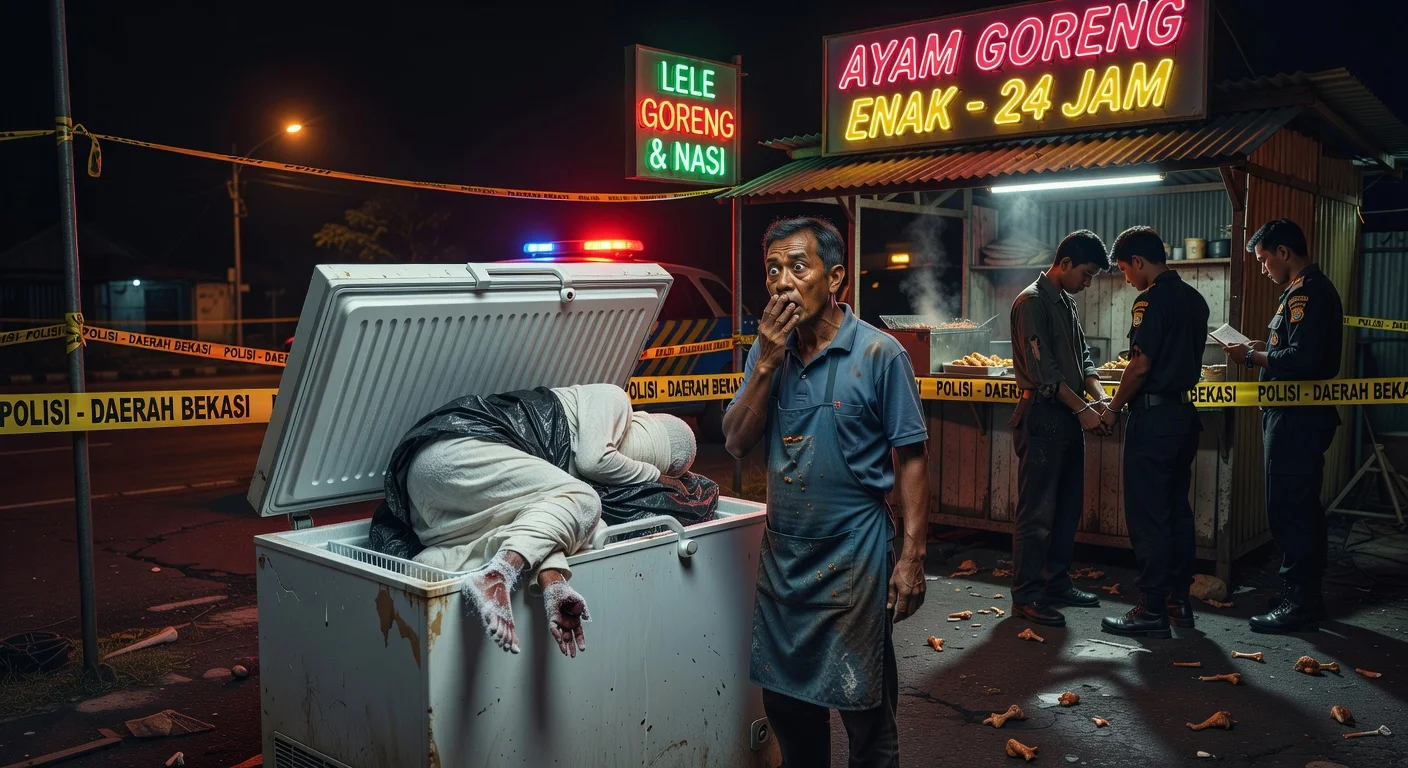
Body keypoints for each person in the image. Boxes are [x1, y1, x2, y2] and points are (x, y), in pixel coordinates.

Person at [723, 216, 929, 768]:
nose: (782, 281)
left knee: (864, 708)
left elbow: (911, 458)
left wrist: (911, 557)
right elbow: (738, 442)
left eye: (798, 266)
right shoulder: (767, 354)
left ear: (834, 278)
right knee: (787, 708)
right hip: (785, 558)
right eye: (772, 270)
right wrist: (765, 362)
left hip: (854, 558)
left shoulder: (880, 354)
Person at [390, 383, 697, 657]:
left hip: (431, 503)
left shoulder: (550, 484)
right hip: (453, 452)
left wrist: (554, 582)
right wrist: (657, 477)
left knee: (585, 525)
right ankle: (497, 576)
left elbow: (550, 528)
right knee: (586, 501)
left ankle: (431, 566)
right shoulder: (612, 398)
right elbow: (595, 460)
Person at [1224, 218, 1344, 633]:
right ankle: (1300, 593)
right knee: (1295, 505)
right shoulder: (1299, 293)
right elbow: (1293, 349)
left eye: (1263, 260)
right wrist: (1263, 346)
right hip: (1290, 416)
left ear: (1284, 253)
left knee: (1291, 509)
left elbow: (1306, 361)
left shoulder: (1307, 293)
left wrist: (1251, 358)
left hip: (1297, 418)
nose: (1263, 269)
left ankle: (1302, 601)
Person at [1099, 226, 1210, 638]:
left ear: (1140, 262)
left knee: (1149, 517)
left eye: (1126, 270)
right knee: (1177, 513)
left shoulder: (1149, 300)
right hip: (1183, 418)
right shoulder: (1195, 300)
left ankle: (1150, 609)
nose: (1127, 278)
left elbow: (1140, 365)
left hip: (1154, 421)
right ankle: (1178, 603)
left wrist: (1112, 409)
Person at [1007, 230, 1111, 627]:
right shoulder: (1031, 302)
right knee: (1037, 513)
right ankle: (1027, 595)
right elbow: (1044, 373)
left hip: (1068, 417)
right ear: (1064, 264)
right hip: (1043, 416)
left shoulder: (1065, 301)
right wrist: (1084, 410)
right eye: (1085, 275)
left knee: (1067, 508)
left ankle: (1056, 582)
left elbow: (1084, 359)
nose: (1087, 284)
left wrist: (1098, 398)